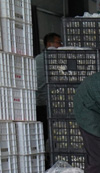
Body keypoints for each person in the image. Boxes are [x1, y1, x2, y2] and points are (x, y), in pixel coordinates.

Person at [35, 33, 62, 164]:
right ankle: (51, 160)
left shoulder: (36, 60)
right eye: (58, 43)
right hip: (49, 104)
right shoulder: (55, 59)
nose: (60, 46)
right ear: (49, 44)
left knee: (43, 134)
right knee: (53, 134)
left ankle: (44, 161)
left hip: (38, 103)